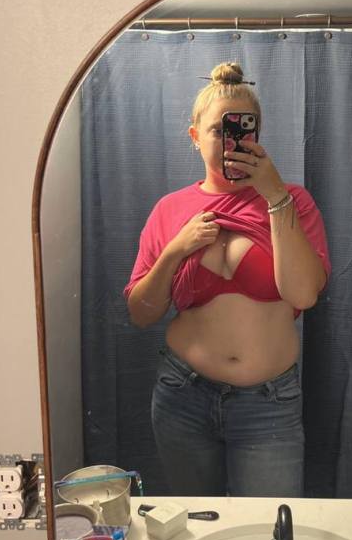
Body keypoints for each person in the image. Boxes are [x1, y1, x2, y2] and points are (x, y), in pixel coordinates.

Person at [124, 62, 331, 496]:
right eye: (218, 130)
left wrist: (274, 195)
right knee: (197, 524)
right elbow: (141, 313)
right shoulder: (169, 210)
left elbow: (303, 294)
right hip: (182, 396)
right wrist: (176, 250)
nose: (231, 140)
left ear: (257, 135)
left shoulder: (292, 201)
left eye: (243, 129)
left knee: (268, 526)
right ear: (195, 135)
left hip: (268, 406)